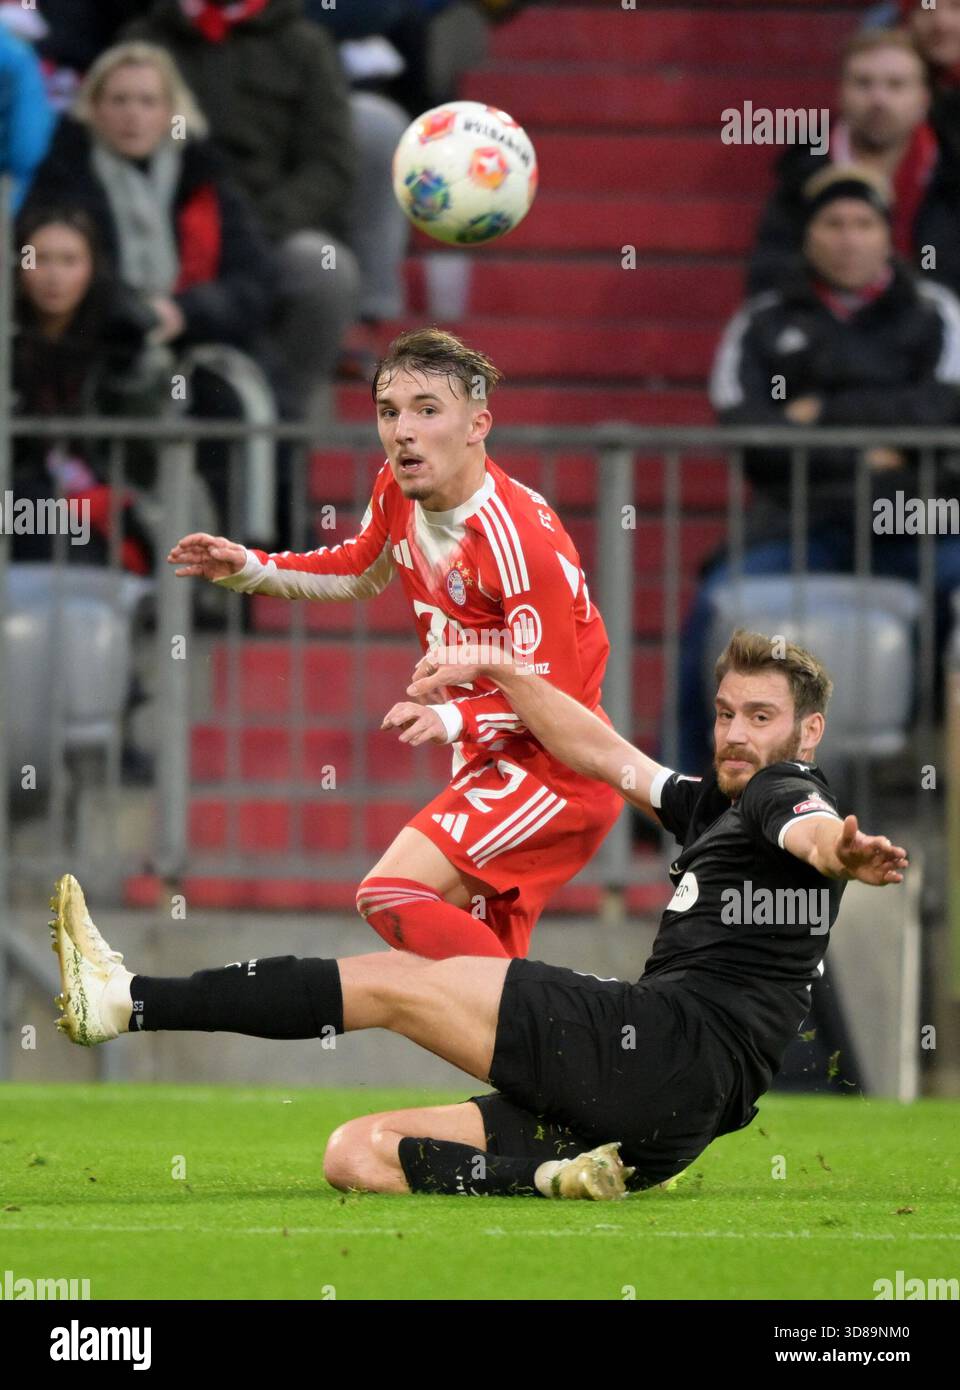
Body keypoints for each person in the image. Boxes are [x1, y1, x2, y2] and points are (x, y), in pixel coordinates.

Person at [49, 629, 910, 1198]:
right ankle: (553, 1180)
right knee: (355, 1153)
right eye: (725, 713)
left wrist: (842, 852)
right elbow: (599, 750)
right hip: (662, 1130)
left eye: (761, 718)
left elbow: (808, 829)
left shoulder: (781, 788)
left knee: (396, 982)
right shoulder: (711, 805)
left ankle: (128, 1000)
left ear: (807, 734)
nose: (735, 734)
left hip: (665, 1047)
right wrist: (501, 670)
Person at [168, 328, 623, 959]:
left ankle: (580, 1022)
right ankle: (562, 1040)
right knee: (476, 995)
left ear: (477, 424)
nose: (402, 430)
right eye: (389, 412)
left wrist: (450, 715)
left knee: (391, 894)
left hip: (556, 774)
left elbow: (560, 703)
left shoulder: (520, 543)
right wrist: (247, 565)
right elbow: (359, 569)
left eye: (427, 410)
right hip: (493, 761)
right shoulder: (396, 487)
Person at [676, 165, 960, 773]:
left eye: (863, 223)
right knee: (710, 606)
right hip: (797, 521)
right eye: (833, 223)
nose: (849, 237)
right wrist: (871, 447)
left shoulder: (935, 313)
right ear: (808, 235)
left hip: (911, 518)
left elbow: (941, 411)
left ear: (888, 236)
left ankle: (934, 772)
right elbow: (749, 433)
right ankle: (681, 789)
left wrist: (822, 415)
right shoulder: (764, 321)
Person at [123, 0, 360, 417]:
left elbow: (330, 164)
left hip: (270, 228)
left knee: (324, 270)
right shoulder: (148, 38)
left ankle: (280, 422)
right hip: (162, 223)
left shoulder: (304, 45)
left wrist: (254, 229)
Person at [748, 28, 960, 298]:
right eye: (863, 83)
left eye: (896, 85)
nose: (878, 100)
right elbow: (771, 278)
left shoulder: (950, 171)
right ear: (841, 94)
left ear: (924, 100)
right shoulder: (802, 175)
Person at [13, 206, 166, 575]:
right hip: (22, 508)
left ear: (93, 268)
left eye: (69, 260)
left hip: (110, 509)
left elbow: (146, 460)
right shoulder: (10, 343)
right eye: (40, 259)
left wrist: (130, 368)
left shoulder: (125, 345)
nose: (54, 276)